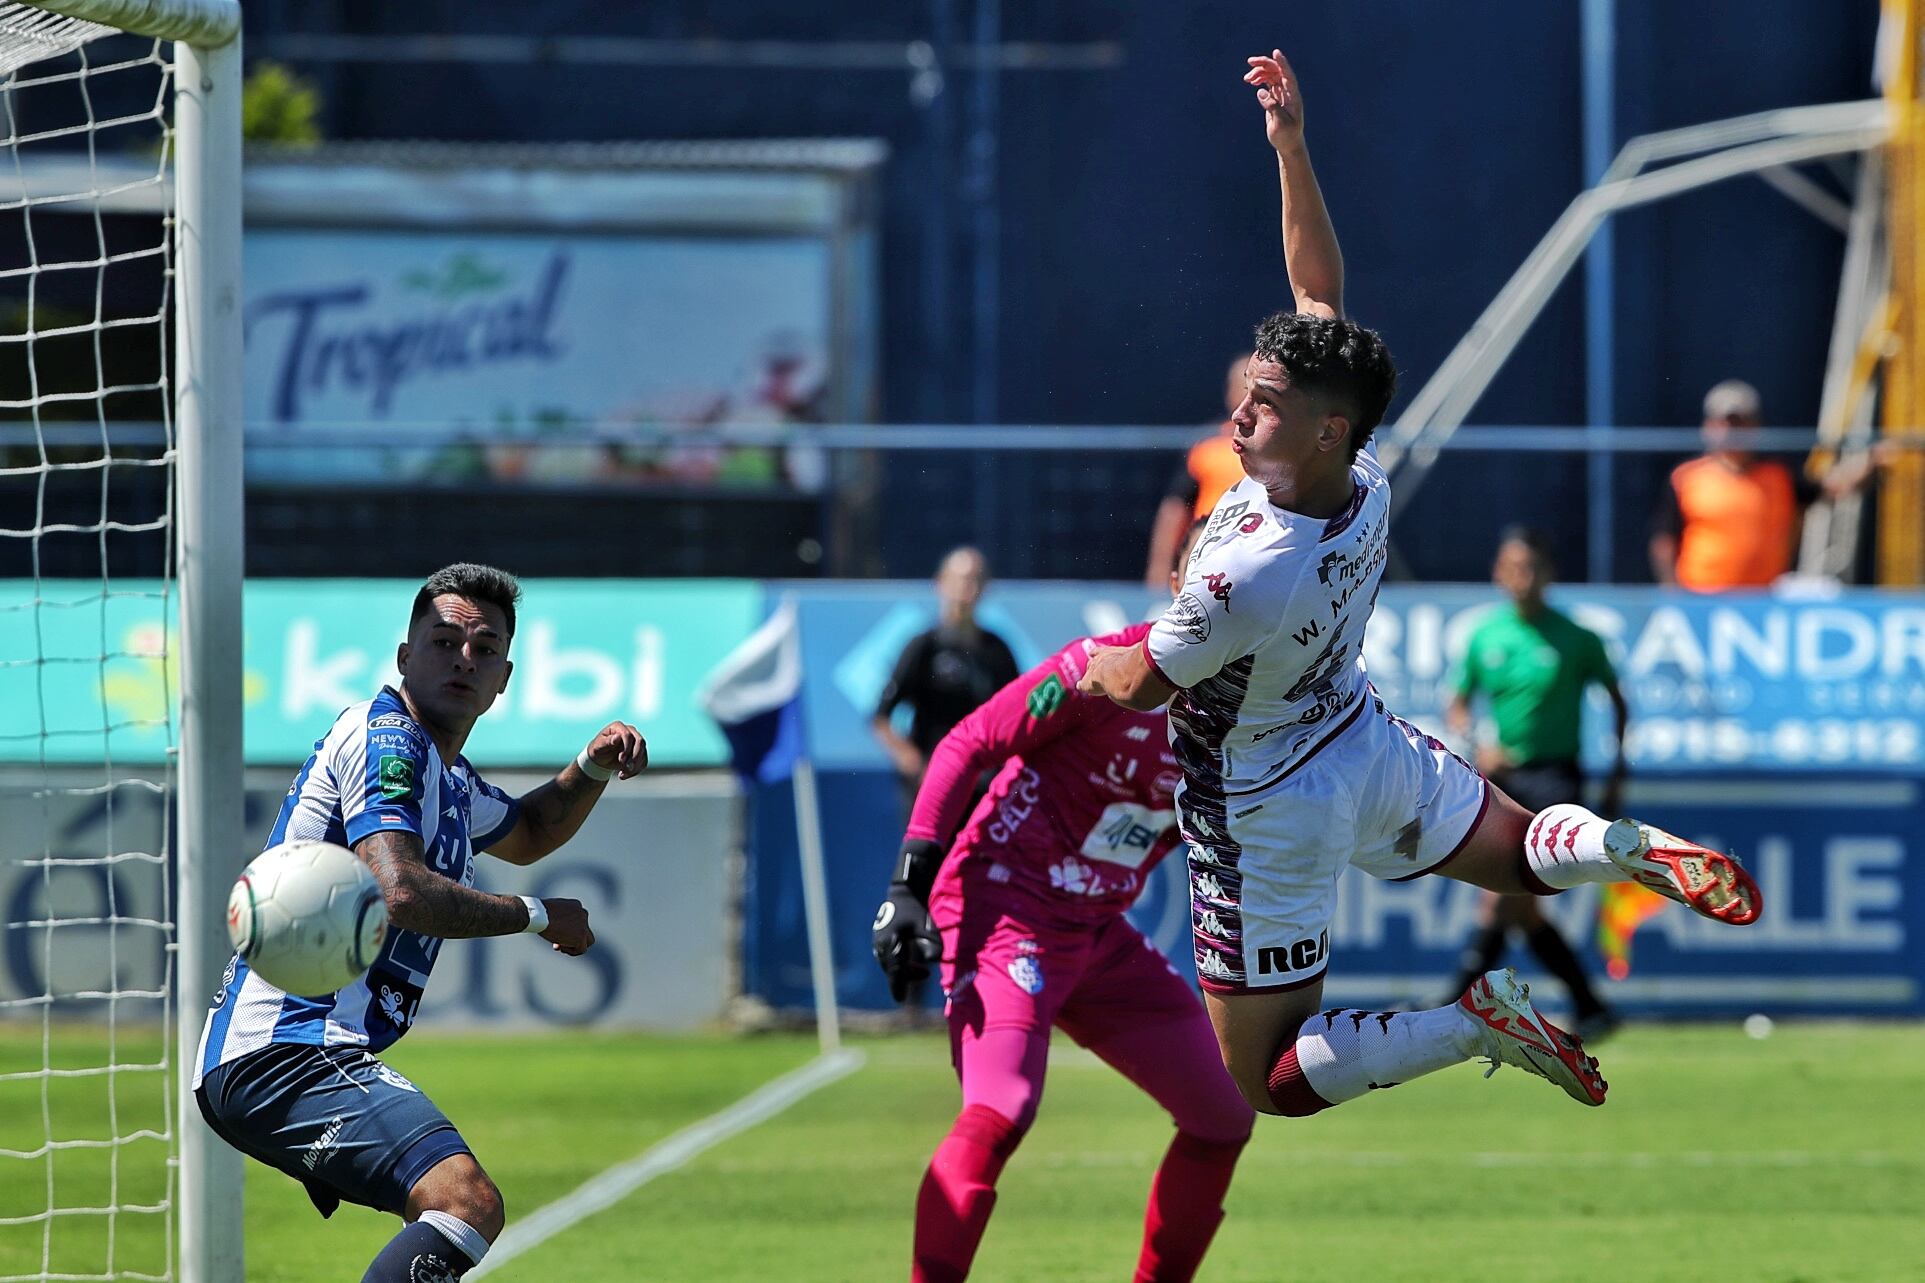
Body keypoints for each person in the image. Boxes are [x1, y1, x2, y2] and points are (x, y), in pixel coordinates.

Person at [1078, 49, 1762, 1124]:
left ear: (1320, 426)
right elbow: (1318, 297)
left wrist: (1078, 665)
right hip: (1357, 740)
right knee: (1524, 863)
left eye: (1259, 404)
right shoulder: (1357, 476)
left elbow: (1130, 686)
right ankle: (1615, 846)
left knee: (1261, 1081)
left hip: (1265, 803)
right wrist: (1291, 146)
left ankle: (1469, 1022)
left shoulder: (1249, 565)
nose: (1237, 415)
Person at [193, 563, 648, 1283]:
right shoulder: (389, 740)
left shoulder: (449, 774)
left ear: (504, 676)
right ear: (405, 657)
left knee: (457, 1205)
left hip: (302, 1050)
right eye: (443, 641)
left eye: (483, 648)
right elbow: (399, 889)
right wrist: (534, 915)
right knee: (465, 1201)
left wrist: (588, 767)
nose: (463, 659)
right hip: (285, 1047)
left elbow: (528, 829)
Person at [872, 518, 1254, 1283]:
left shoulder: (1265, 714)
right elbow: (965, 743)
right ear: (1177, 586)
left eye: (1244, 594)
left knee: (1222, 1114)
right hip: (999, 907)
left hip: (1094, 931)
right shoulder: (1102, 666)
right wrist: (906, 885)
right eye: (1208, 586)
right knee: (1001, 1107)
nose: (1224, 606)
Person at [1443, 527, 1626, 1039]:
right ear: (1498, 573)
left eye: (1531, 567)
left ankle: (1456, 1003)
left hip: (1555, 779)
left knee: (1505, 899)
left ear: (1548, 573)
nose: (1521, 578)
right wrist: (1478, 740)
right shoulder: (1485, 635)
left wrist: (1617, 771)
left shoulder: (1576, 638)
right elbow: (1457, 703)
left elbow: (1618, 701)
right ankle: (1590, 1005)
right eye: (1511, 567)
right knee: (1516, 907)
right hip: (1503, 780)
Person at [1649, 379, 1888, 589]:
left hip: (1762, 605)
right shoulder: (1687, 477)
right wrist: (1673, 595)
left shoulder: (1779, 476)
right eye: (1724, 423)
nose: (1731, 431)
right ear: (1709, 427)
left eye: (1740, 423)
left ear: (1756, 427)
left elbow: (1835, 485)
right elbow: (1664, 541)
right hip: (1702, 602)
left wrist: (1873, 461)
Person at [871, 547, 1022, 811]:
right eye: (961, 578)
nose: (968, 587)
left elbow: (1018, 713)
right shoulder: (924, 647)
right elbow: (881, 717)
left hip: (983, 782)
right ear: (941, 583)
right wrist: (913, 762)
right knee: (928, 851)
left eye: (976, 579)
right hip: (933, 780)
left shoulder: (997, 650)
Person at [1142, 353, 1253, 586]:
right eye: (1243, 386)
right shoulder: (1206, 445)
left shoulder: (1286, 448)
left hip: (1259, 558)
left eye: (1257, 388)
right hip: (1206, 561)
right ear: (1229, 393)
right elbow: (1175, 509)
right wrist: (1159, 570)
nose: (1248, 396)